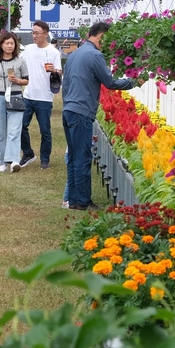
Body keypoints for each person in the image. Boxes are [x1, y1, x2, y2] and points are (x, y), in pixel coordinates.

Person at [62, 22, 134, 211]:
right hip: (81, 112)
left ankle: (75, 200)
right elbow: (110, 82)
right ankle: (83, 202)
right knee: (83, 157)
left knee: (73, 157)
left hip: (69, 109)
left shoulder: (75, 53)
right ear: (101, 36)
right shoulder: (94, 55)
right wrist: (134, 82)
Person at [19, 21, 62, 170]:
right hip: (28, 95)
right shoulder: (29, 49)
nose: (34, 36)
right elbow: (20, 63)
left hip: (44, 97)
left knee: (45, 130)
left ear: (45, 34)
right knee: (21, 126)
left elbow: (60, 72)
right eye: (33, 32)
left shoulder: (53, 52)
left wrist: (54, 70)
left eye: (37, 33)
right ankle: (28, 153)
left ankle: (45, 159)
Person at [0, 31, 29, 173]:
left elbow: (26, 80)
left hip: (15, 96)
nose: (9, 46)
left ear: (15, 45)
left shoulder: (20, 61)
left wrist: (18, 81)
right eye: (7, 43)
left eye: (12, 43)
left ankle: (14, 160)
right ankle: (1, 162)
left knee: (14, 130)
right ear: (1, 45)